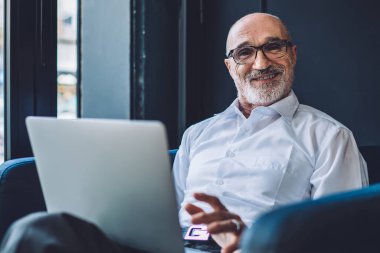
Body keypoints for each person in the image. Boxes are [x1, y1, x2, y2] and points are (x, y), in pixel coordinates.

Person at [0, 12, 368, 253]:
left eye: (273, 47)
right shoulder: (198, 135)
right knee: (39, 230)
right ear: (230, 66)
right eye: (245, 52)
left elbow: (341, 240)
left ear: (293, 54)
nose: (261, 62)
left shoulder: (330, 138)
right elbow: (166, 215)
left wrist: (245, 243)